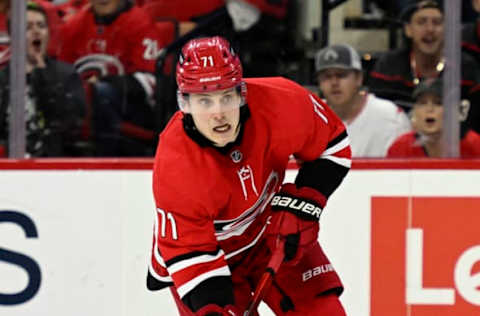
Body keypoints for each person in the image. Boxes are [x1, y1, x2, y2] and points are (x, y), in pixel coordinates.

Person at [146, 36, 351, 315]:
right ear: (185, 104)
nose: (218, 114)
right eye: (205, 101)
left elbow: (333, 145)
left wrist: (304, 203)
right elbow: (192, 255)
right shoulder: (176, 164)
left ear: (241, 93)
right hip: (210, 256)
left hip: (271, 231)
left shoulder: (282, 103)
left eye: (226, 97)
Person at [58, 0, 175, 156]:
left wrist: (103, 83)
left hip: (133, 108)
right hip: (82, 104)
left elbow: (151, 82)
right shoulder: (74, 25)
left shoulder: (140, 23)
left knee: (102, 93)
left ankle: (104, 160)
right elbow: (60, 74)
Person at [367, 0, 480, 135]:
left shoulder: (464, 67)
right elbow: (375, 116)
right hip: (396, 146)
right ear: (408, 30)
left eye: (437, 23)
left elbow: (474, 122)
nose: (430, 29)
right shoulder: (388, 66)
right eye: (421, 22)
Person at [0, 1, 86, 157]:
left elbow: (71, 127)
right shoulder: (4, 78)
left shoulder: (67, 75)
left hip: (54, 164)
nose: (36, 32)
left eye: (41, 26)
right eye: (28, 27)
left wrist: (42, 74)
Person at [315, 43, 411, 157]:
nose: (334, 83)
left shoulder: (391, 117)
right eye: (326, 77)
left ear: (359, 78)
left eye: (341, 75)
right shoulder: (306, 118)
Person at [387, 78, 480, 157]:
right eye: (422, 103)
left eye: (438, 103)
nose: (429, 109)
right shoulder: (401, 147)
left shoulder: (474, 145)